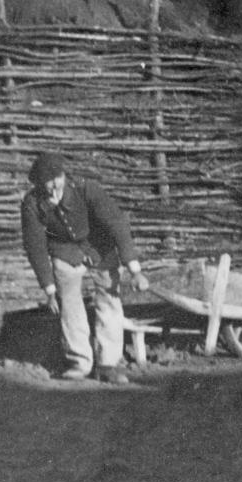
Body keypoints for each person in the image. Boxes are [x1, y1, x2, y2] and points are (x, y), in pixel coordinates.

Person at [21, 151, 149, 382]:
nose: (53, 185)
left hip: (99, 246)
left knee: (109, 299)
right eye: (47, 182)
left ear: (64, 175)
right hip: (64, 251)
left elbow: (116, 223)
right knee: (69, 304)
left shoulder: (87, 189)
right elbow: (35, 247)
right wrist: (49, 290)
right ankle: (79, 362)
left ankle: (108, 364)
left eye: (57, 178)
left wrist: (135, 269)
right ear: (38, 183)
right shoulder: (32, 204)